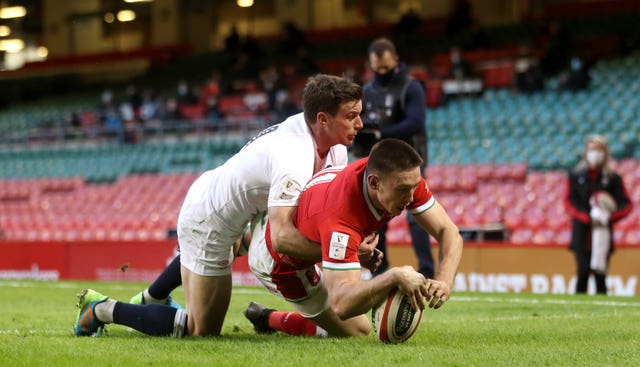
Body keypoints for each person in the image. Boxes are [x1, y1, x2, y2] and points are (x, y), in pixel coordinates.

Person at [73, 74, 367, 337]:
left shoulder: (333, 148)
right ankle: (103, 309)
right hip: (208, 219)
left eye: (359, 114)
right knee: (200, 329)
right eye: (351, 115)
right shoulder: (293, 155)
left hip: (236, 205)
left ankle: (153, 296)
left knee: (248, 241)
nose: (360, 124)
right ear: (323, 119)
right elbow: (282, 237)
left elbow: (312, 214)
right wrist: (345, 250)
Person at [244, 139, 464, 337]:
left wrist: (444, 280)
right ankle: (267, 319)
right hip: (282, 261)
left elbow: (449, 233)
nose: (410, 197)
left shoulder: (395, 175)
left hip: (291, 220)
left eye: (414, 187)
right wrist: (393, 276)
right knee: (358, 330)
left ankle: (243, 239)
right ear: (374, 183)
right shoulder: (342, 219)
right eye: (403, 190)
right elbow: (343, 303)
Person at [351, 37, 434, 279]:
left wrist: (380, 133)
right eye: (378, 69)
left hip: (410, 164)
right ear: (371, 64)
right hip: (377, 164)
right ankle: (380, 271)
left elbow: (415, 122)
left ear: (395, 60)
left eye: (386, 68)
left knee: (419, 218)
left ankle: (427, 271)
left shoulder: (411, 87)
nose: (382, 73)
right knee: (376, 219)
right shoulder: (365, 91)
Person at [564, 135, 632, 295]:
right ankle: (577, 313)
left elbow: (627, 205)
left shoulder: (613, 178)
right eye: (592, 149)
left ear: (605, 152)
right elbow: (568, 202)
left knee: (601, 275)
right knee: (582, 272)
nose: (595, 153)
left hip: (603, 233)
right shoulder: (575, 176)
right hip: (582, 233)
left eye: (599, 149)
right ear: (586, 152)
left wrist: (609, 217)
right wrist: (586, 217)